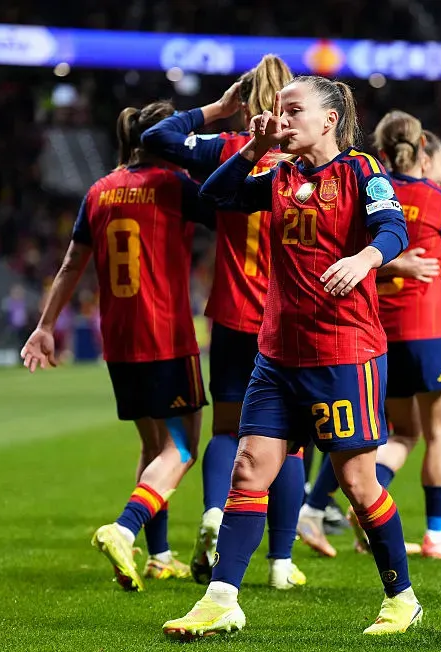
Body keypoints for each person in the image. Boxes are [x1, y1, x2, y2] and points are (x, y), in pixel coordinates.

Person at [163, 75, 421, 639]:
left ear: (329, 120)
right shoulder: (277, 172)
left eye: (292, 110)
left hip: (343, 351)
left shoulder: (362, 171)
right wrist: (253, 147)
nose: (280, 119)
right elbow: (214, 197)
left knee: (358, 483)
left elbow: (394, 226)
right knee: (250, 465)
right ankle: (222, 598)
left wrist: (368, 258)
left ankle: (401, 598)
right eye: (277, 110)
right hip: (277, 352)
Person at [21, 102, 213, 590]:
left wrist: (45, 326)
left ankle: (160, 554)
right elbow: (232, 209)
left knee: (152, 446)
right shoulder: (174, 185)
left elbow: (69, 266)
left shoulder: (99, 191)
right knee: (183, 448)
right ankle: (125, 529)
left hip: (120, 341)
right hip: (166, 335)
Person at [141, 55, 308, 590]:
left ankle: (215, 513)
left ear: (247, 97)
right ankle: (281, 561)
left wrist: (217, 109)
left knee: (228, 430)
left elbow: (158, 136)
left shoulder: (229, 151)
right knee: (294, 442)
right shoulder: (307, 159)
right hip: (290, 318)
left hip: (235, 313)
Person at [298, 121, 441, 560]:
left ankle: (328, 507)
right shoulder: (439, 199)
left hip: (380, 332)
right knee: (437, 434)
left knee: (387, 432)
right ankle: (435, 535)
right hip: (430, 329)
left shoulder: (364, 186)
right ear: (425, 155)